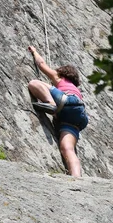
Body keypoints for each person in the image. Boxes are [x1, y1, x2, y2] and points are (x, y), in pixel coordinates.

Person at [27, 46, 89, 177]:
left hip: (66, 102)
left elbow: (41, 64)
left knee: (34, 83)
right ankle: (77, 178)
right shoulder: (75, 88)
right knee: (67, 149)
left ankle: (50, 103)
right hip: (78, 117)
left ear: (62, 73)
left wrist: (35, 52)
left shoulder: (60, 78)